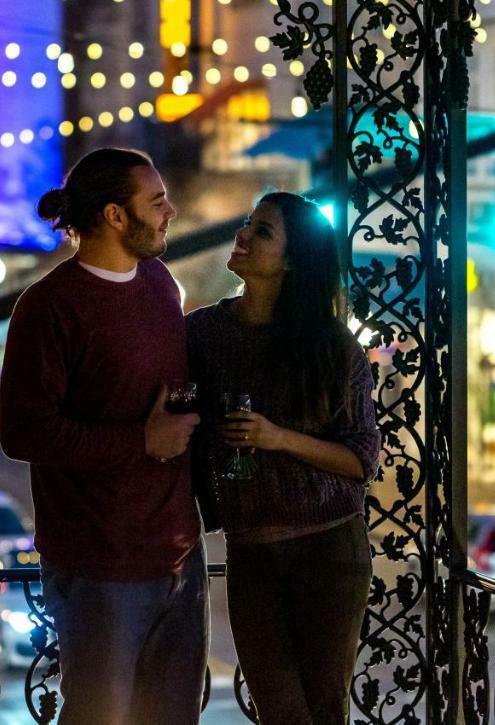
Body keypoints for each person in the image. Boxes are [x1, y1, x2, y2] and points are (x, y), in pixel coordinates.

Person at [0, 147, 207, 725]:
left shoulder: (162, 284)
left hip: (179, 557)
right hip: (100, 565)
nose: (172, 211)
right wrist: (141, 441)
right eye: (157, 201)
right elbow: (23, 433)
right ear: (116, 216)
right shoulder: (48, 308)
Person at [187, 191, 381, 725]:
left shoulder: (332, 347)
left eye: (263, 232)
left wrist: (278, 438)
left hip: (330, 549)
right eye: (247, 223)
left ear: (293, 261)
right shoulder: (204, 334)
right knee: (282, 712)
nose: (243, 235)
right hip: (251, 552)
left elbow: (363, 459)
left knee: (323, 709)